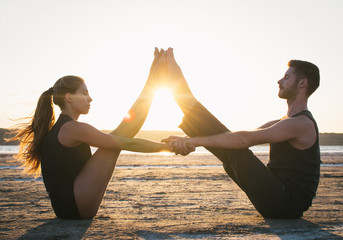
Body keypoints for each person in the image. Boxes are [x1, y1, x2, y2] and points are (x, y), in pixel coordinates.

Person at [12, 48, 179, 219]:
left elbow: (125, 134)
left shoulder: (66, 127)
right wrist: (169, 147)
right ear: (69, 97)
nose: (90, 98)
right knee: (116, 142)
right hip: (74, 206)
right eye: (84, 93)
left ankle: (152, 83)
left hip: (67, 206)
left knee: (120, 135)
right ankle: (152, 84)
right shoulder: (73, 129)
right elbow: (126, 142)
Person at [163, 48, 321, 218]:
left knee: (236, 149)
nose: (279, 81)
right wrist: (187, 140)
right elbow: (235, 137)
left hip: (286, 202)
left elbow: (243, 140)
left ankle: (183, 94)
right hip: (278, 199)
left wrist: (195, 141)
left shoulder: (301, 124)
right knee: (230, 145)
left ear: (302, 83)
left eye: (286, 77)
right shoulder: (284, 122)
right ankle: (183, 94)